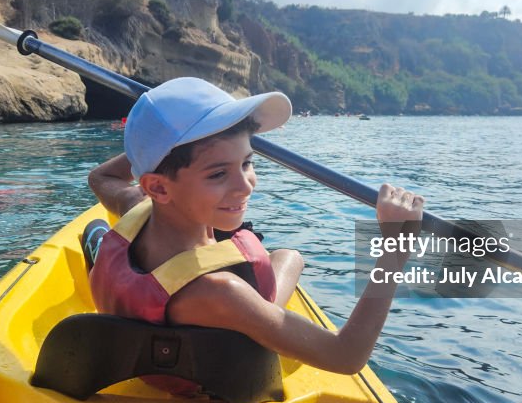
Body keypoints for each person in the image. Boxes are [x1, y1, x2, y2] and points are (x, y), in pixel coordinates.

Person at [87, 76, 423, 379]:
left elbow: (101, 177)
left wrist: (152, 145)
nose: (246, 185)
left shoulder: (137, 204)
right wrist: (395, 249)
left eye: (247, 163)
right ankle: (268, 316)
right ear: (158, 187)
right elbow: (346, 356)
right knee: (290, 257)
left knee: (283, 255)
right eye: (218, 173)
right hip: (207, 383)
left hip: (144, 341)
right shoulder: (220, 292)